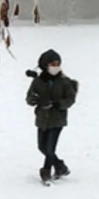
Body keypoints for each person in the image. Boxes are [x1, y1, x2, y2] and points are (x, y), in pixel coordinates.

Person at [25, 49, 78, 185]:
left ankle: (46, 171)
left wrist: (57, 104)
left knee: (49, 148)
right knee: (42, 147)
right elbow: (29, 98)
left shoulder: (64, 81)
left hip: (57, 119)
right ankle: (60, 167)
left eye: (57, 64)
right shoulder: (38, 81)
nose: (55, 67)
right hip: (42, 119)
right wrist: (34, 99)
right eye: (52, 64)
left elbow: (70, 99)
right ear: (45, 65)